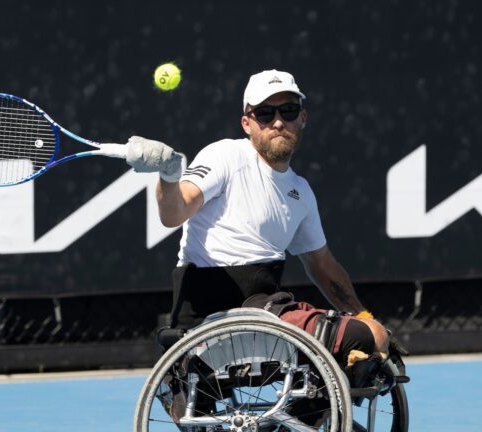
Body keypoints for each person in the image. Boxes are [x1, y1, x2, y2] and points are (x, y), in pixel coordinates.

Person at [124, 69, 389, 356]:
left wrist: (364, 316)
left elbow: (323, 265)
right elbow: (174, 214)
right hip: (213, 311)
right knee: (357, 336)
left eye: (288, 111)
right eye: (265, 113)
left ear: (303, 117)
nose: (278, 122)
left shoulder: (300, 192)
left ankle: (321, 402)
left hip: (264, 308)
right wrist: (169, 175)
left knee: (372, 333)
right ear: (247, 123)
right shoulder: (225, 155)